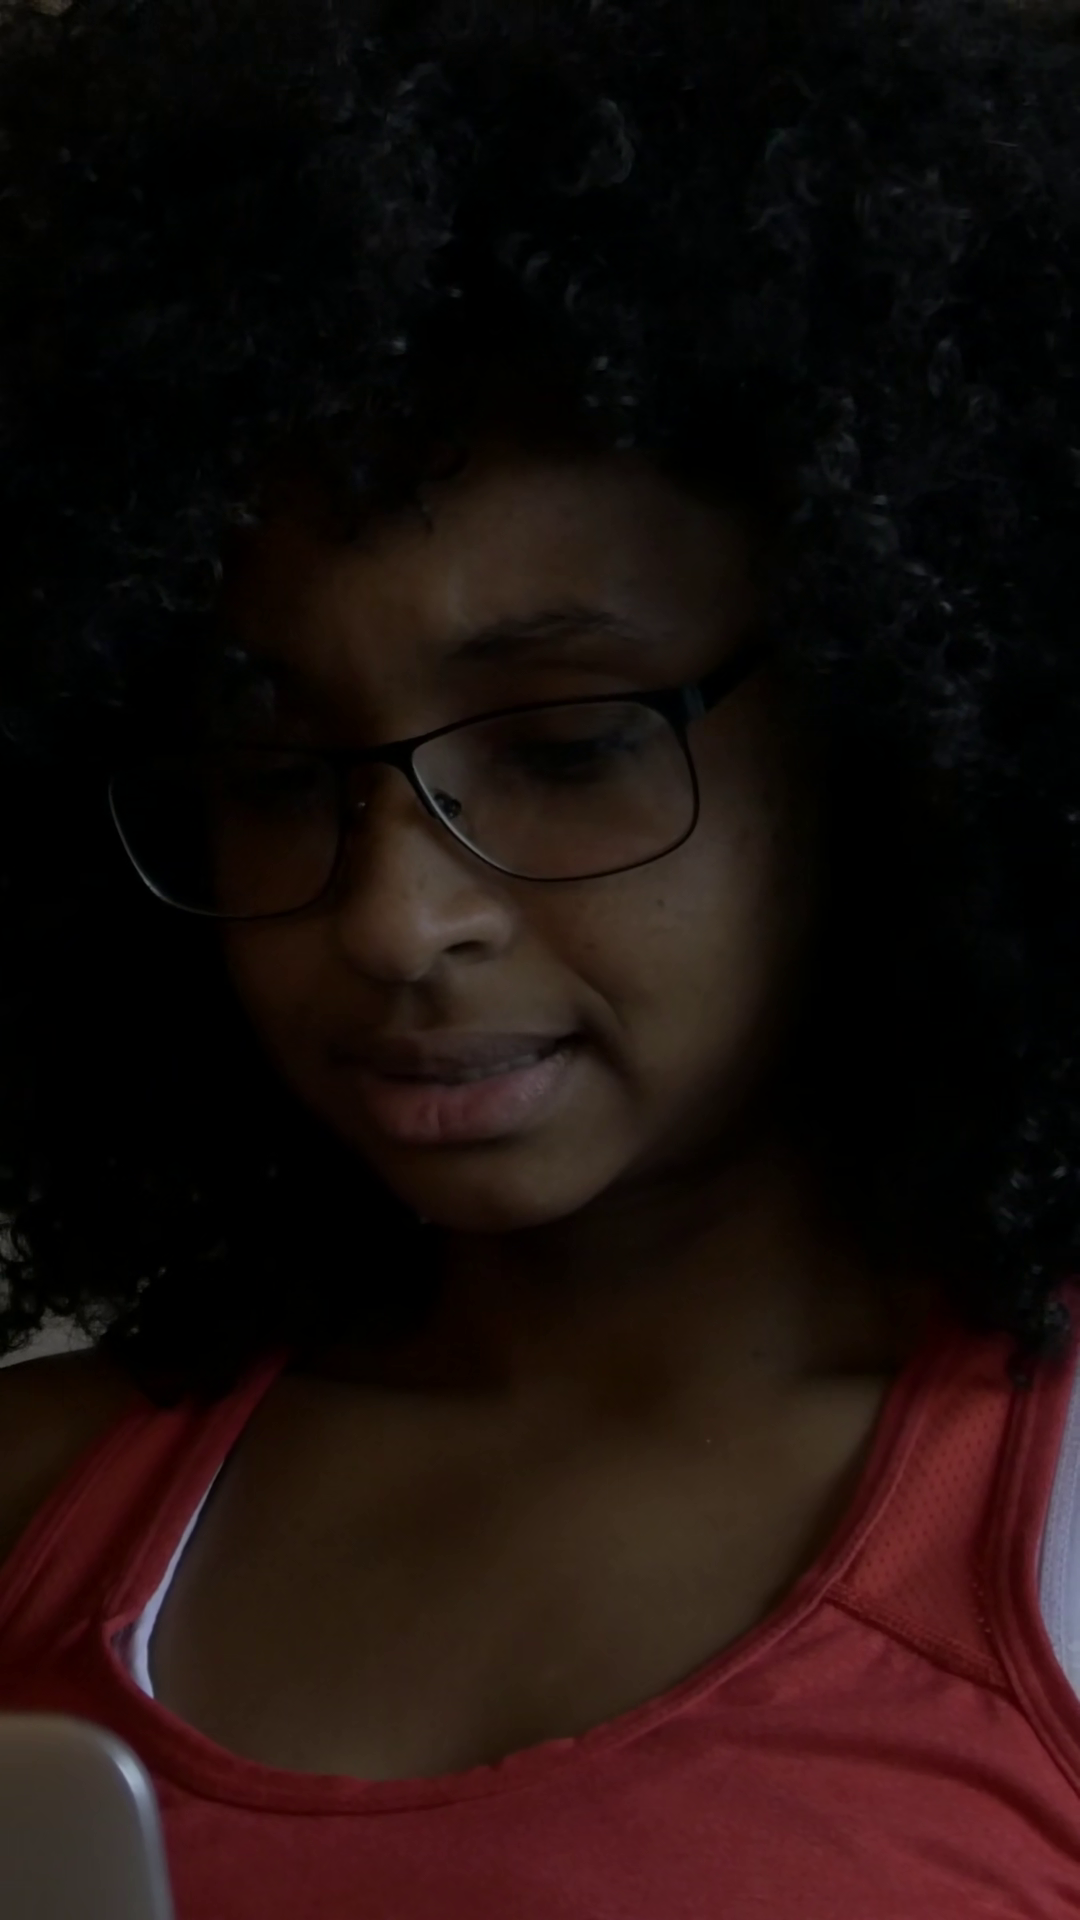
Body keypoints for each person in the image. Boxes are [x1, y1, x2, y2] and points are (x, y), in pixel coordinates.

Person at [0, 0, 1079, 1911]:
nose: (393, 919)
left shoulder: (1047, 1542)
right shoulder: (34, 1506)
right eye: (273, 771)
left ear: (899, 731)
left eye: (569, 748)